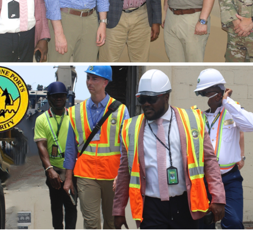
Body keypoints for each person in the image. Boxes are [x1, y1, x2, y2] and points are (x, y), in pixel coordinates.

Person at [113, 69, 226, 229]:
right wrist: (118, 209)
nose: (146, 104)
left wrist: (218, 197)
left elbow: (209, 161)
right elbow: (124, 171)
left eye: (151, 99)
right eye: (142, 99)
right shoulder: (130, 128)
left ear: (166, 96)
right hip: (151, 208)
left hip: (186, 205)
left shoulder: (192, 120)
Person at [63, 66, 130, 229]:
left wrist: (122, 176)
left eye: (94, 78)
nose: (89, 82)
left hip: (112, 176)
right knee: (91, 223)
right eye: (88, 78)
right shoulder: (74, 112)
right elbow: (71, 148)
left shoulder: (121, 111)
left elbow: (126, 148)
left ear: (105, 82)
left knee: (111, 223)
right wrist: (68, 178)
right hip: (86, 174)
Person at [194, 68, 253, 229]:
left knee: (234, 222)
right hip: (205, 179)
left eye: (206, 94)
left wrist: (227, 102)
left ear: (217, 94)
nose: (205, 99)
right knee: (203, 222)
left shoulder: (233, 113)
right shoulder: (199, 117)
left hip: (229, 179)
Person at [34, 81, 77, 229]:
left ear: (66, 97)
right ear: (49, 98)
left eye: (62, 96)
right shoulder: (42, 120)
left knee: (71, 206)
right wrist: (49, 170)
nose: (59, 99)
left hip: (72, 169)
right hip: (55, 170)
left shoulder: (73, 116)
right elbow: (41, 145)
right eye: (55, 96)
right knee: (56, 207)